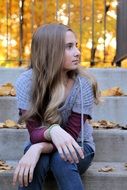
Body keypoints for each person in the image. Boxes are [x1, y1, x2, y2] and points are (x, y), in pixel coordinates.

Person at [13, 23, 99, 190]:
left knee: (62, 159)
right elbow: (34, 131)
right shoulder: (26, 82)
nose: (78, 52)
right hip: (42, 142)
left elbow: (71, 138)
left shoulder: (83, 85)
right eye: (69, 47)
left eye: (76, 45)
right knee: (37, 162)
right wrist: (52, 131)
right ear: (50, 51)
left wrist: (38, 147)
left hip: (79, 145)